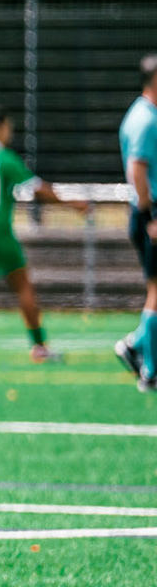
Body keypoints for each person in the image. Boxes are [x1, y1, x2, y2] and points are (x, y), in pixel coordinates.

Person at [0, 103, 88, 365]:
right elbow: (37, 188)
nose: (10, 131)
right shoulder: (4, 158)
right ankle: (39, 346)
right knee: (22, 284)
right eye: (7, 126)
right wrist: (73, 204)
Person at [115, 56, 157, 391]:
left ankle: (135, 346)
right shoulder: (145, 119)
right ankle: (150, 370)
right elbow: (138, 170)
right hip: (150, 215)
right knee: (156, 293)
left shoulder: (144, 114)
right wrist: (150, 215)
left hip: (147, 212)